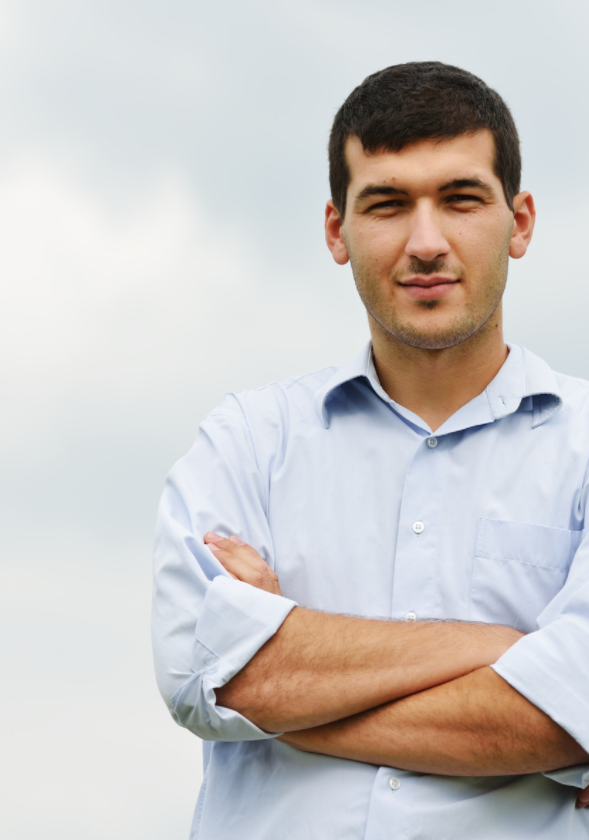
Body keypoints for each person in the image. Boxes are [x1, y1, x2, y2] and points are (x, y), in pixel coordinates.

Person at [152, 62, 589, 839]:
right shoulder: (249, 441)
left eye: (460, 199)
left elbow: (565, 720)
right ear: (336, 230)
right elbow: (196, 672)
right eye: (387, 204)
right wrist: (499, 650)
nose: (426, 243)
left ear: (519, 222)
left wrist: (279, 684)